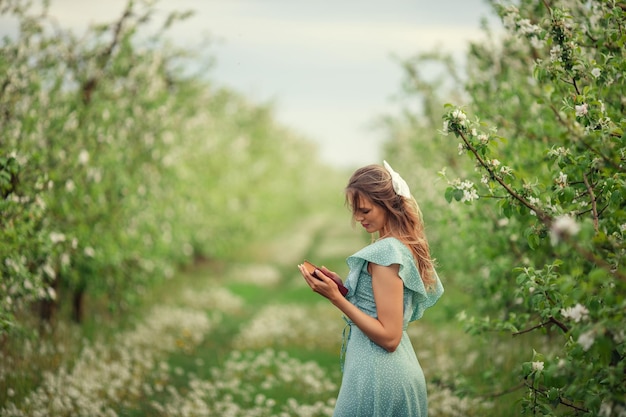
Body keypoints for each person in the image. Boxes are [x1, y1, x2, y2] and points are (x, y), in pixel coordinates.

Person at [298, 161, 444, 417]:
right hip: (384, 371)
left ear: (388, 205)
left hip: (380, 376)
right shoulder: (397, 246)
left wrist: (336, 299)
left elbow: (389, 337)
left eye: (364, 210)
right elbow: (376, 306)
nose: (358, 217)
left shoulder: (385, 253)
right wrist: (343, 289)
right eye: (355, 210)